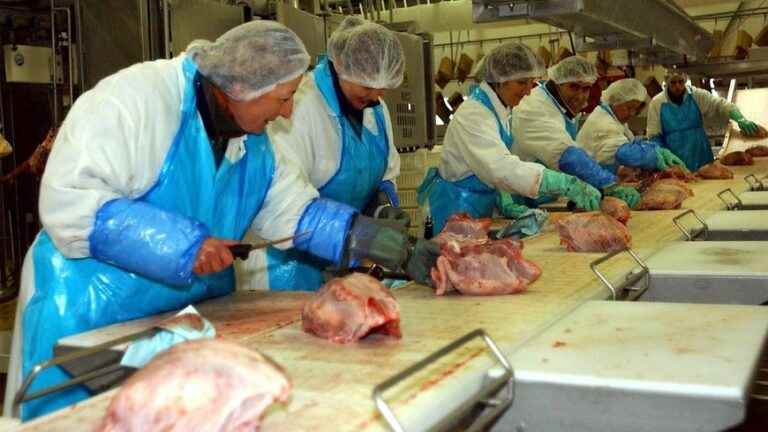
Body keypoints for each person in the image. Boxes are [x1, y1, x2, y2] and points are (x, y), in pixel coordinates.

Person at [5, 21, 437, 420]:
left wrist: (391, 246)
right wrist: (182, 245)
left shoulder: (256, 144)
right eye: (283, 97)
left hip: (177, 324)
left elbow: (300, 214)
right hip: (87, 319)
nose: (287, 113)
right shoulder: (135, 100)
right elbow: (70, 202)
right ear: (240, 87)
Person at [237, 17, 411, 292]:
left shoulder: (376, 109)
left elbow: (385, 170)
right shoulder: (301, 105)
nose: (376, 95)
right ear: (341, 67)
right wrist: (359, 235)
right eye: (367, 86)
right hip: (290, 262)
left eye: (382, 87)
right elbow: (284, 198)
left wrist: (381, 206)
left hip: (348, 253)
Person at [416, 42, 601, 234]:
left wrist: (503, 196)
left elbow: (495, 163)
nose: (528, 91)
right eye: (522, 83)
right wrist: (564, 184)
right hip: (451, 211)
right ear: (498, 80)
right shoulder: (475, 114)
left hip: (474, 210)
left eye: (531, 83)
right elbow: (500, 168)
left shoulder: (500, 109)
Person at [511, 56, 641, 208]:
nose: (580, 96)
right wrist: (609, 184)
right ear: (557, 83)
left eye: (586, 88)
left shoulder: (563, 108)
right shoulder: (534, 107)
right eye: (573, 87)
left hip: (539, 198)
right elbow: (567, 156)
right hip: (517, 200)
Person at [647, 70, 762, 172]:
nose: (677, 86)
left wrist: (740, 118)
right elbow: (654, 136)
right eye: (673, 83)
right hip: (675, 160)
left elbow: (720, 105)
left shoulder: (696, 95)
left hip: (702, 155)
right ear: (667, 83)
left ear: (685, 81)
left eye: (681, 82)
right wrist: (664, 155)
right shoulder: (657, 103)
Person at [577, 78, 686, 173]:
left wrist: (654, 147)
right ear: (615, 102)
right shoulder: (604, 123)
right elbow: (624, 153)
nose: (632, 113)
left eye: (635, 109)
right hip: (588, 182)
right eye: (629, 108)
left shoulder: (615, 118)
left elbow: (629, 141)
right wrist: (655, 156)